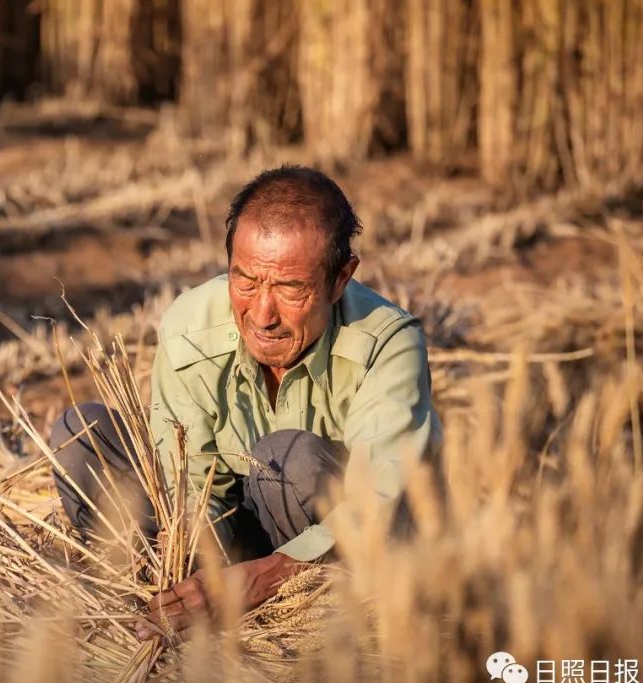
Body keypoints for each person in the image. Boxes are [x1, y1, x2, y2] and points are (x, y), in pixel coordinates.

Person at [49, 165, 441, 641]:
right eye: (246, 281)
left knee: (284, 457)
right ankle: (150, 594)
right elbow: (186, 482)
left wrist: (264, 577)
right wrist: (188, 568)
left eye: (291, 288)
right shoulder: (190, 324)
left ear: (341, 279)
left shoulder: (389, 343)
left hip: (321, 546)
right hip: (234, 530)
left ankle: (288, 611)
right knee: (83, 434)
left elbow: (378, 500)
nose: (261, 315)